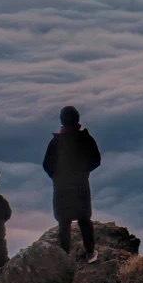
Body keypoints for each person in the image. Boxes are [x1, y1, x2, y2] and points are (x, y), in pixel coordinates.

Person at [42, 106, 101, 262]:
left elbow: (46, 165)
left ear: (62, 121)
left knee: (64, 221)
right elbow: (96, 160)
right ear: (77, 120)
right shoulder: (86, 139)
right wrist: (83, 171)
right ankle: (90, 253)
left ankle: (64, 256)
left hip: (61, 188)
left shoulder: (56, 142)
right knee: (84, 219)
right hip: (81, 185)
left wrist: (57, 177)